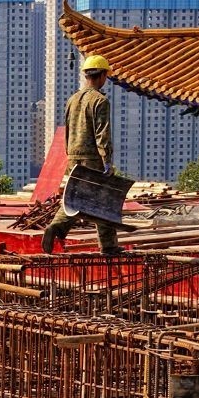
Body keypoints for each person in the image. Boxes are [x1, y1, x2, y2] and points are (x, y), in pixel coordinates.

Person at [42, 54, 123, 254]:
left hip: (73, 156)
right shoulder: (100, 100)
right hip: (92, 157)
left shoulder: (73, 99)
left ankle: (56, 226)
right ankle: (109, 246)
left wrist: (69, 155)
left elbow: (68, 130)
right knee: (104, 199)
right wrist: (107, 161)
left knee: (74, 197)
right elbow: (102, 134)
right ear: (102, 75)